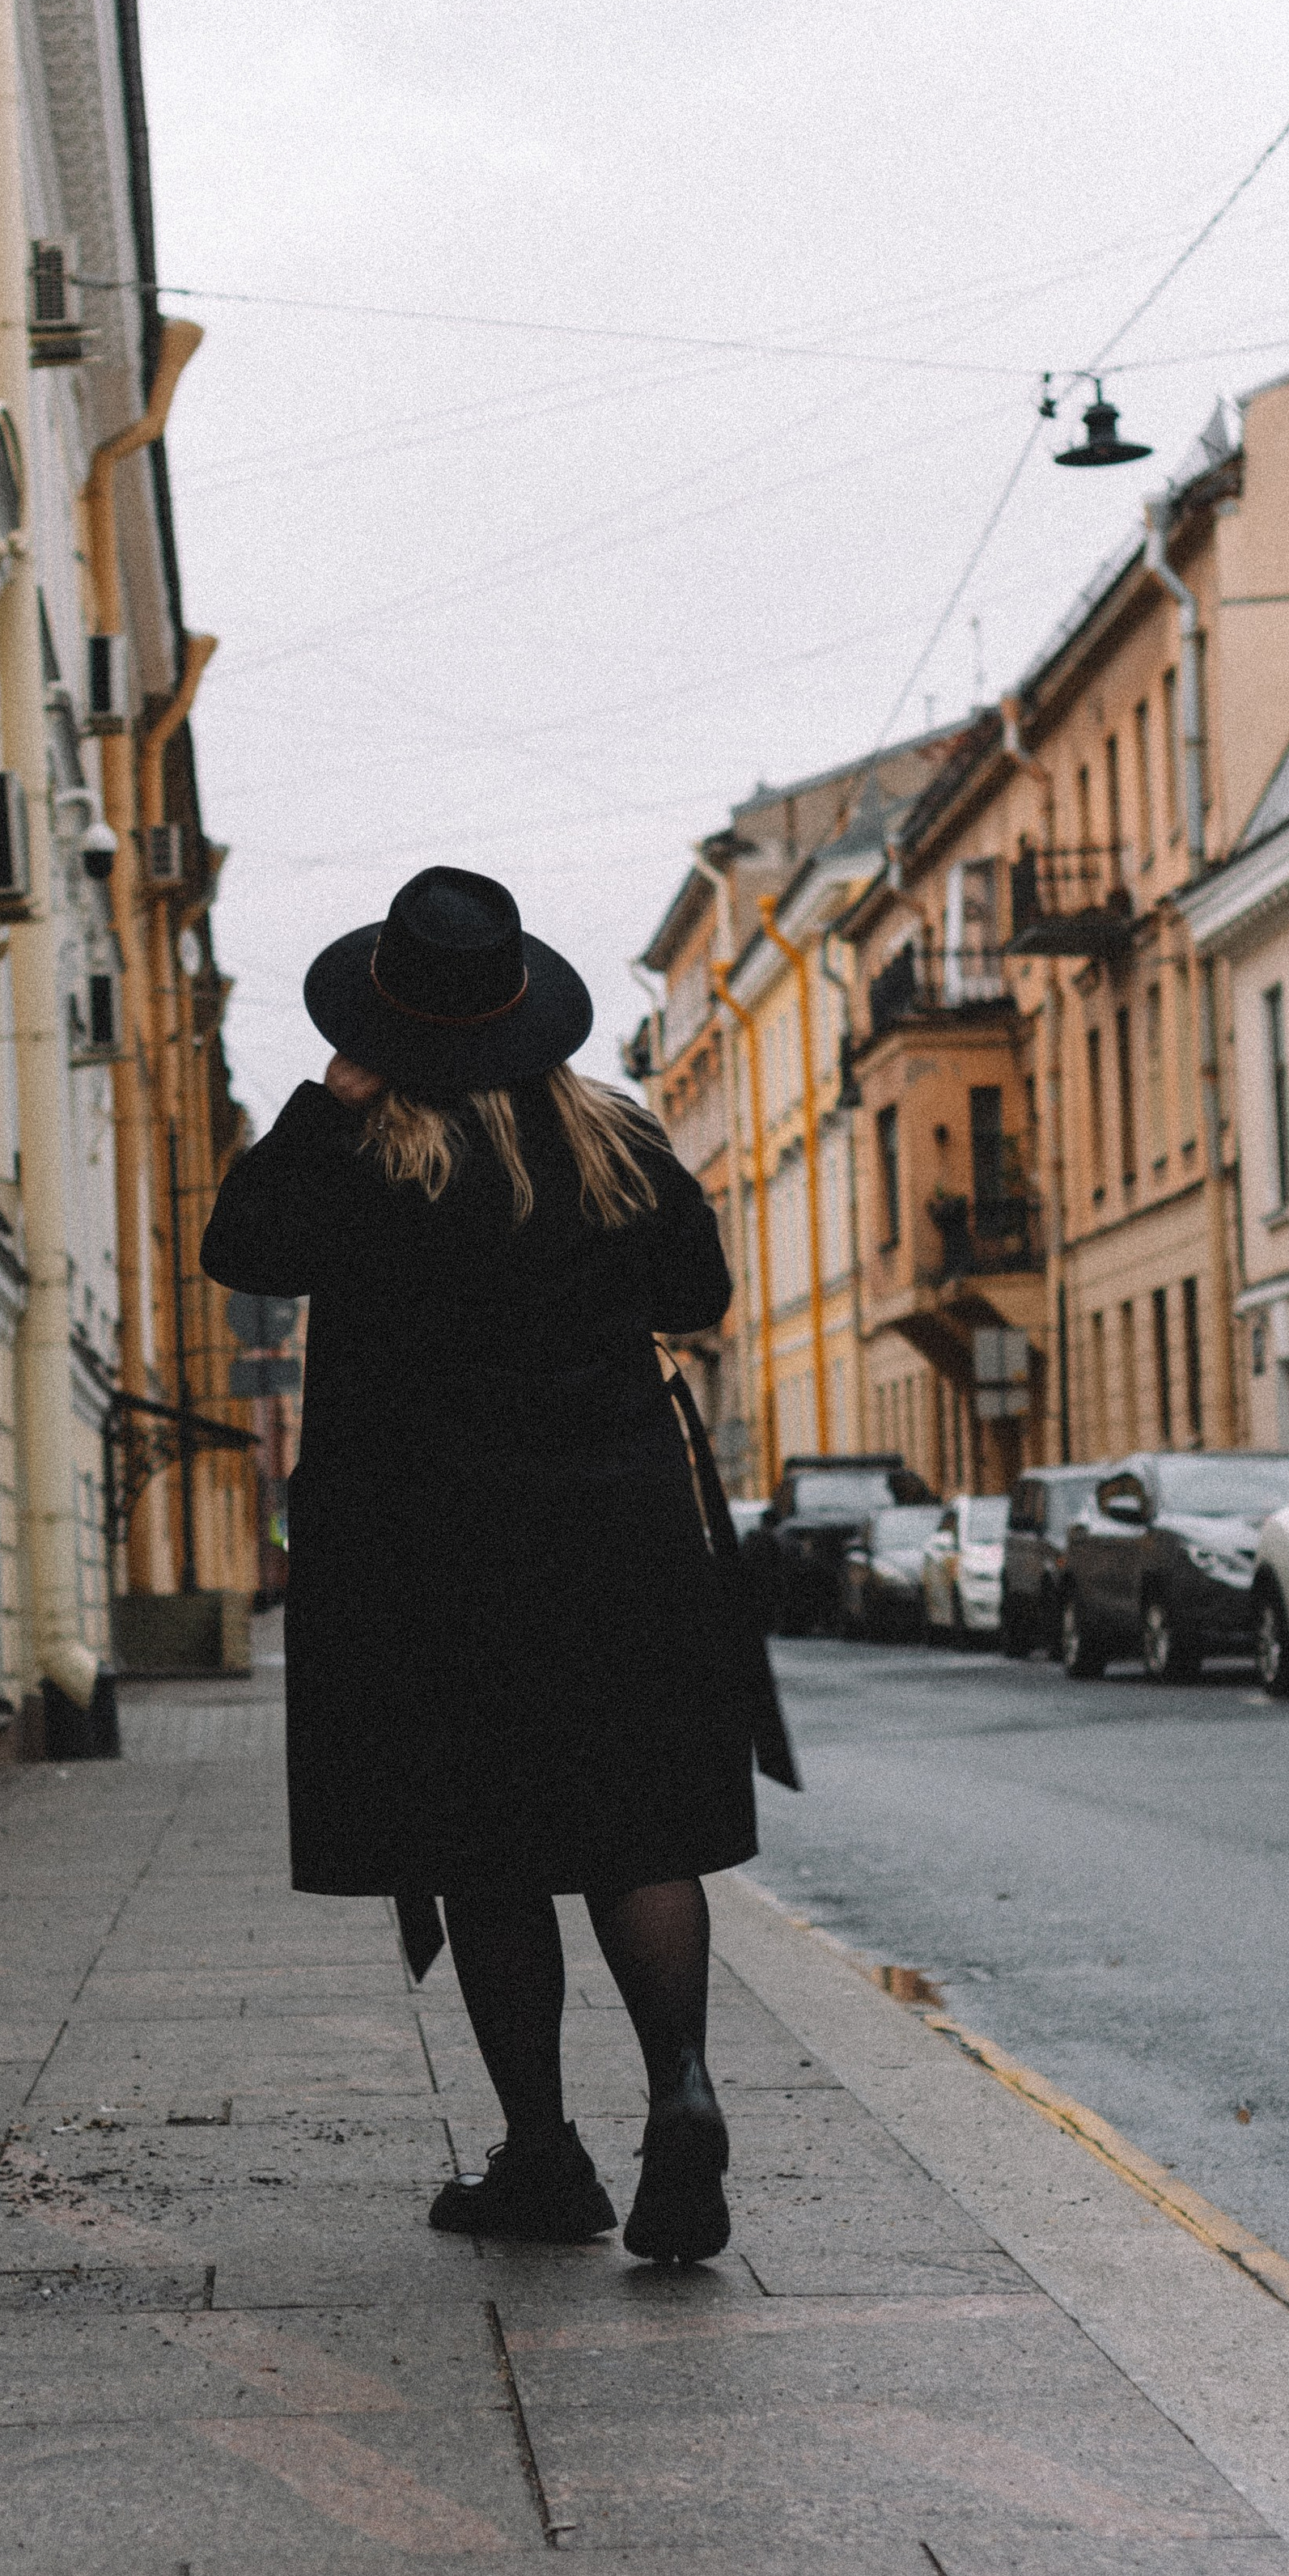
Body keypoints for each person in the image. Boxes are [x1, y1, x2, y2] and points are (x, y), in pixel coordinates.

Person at [201, 866, 789, 2264]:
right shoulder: (618, 1143)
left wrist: (324, 1103)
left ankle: (544, 2156)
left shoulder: (359, 1162)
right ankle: (684, 2090)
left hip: (433, 1557)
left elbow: (243, 1249)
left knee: (486, 1851)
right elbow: (696, 1298)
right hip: (621, 1537)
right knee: (636, 1829)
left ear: (384, 1024)